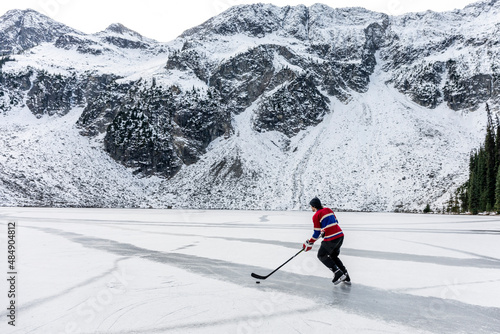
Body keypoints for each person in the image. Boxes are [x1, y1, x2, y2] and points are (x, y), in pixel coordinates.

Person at [302, 197, 350, 285]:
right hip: (340, 235)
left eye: (311, 207)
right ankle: (345, 275)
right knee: (333, 256)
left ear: (313, 206)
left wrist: (310, 242)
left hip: (331, 238)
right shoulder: (328, 209)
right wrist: (324, 231)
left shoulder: (316, 215)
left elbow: (316, 233)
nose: (311, 208)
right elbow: (335, 221)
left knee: (321, 255)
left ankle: (337, 272)